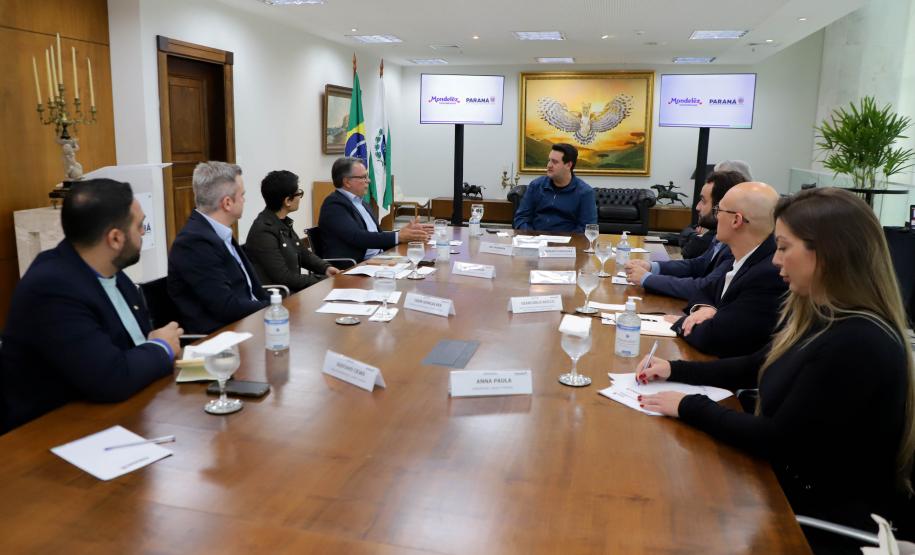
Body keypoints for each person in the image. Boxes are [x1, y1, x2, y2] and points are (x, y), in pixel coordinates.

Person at [637, 188, 915, 550]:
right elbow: (756, 365)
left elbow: (777, 440)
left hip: (809, 518)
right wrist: (673, 370)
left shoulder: (858, 342)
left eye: (784, 247)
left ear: (827, 252)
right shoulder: (821, 316)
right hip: (778, 485)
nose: (775, 260)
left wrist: (689, 406)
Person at [0, 179, 181, 433]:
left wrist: (153, 347)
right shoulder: (51, 288)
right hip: (52, 435)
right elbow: (112, 378)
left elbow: (135, 345)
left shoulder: (110, 271)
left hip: (122, 414)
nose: (143, 232)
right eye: (140, 226)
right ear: (115, 238)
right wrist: (161, 346)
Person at [670, 182, 787, 357]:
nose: (715, 217)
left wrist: (681, 322)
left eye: (719, 211)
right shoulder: (745, 256)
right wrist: (705, 308)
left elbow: (716, 339)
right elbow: (705, 291)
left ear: (736, 220)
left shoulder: (768, 273)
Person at [168, 162, 269, 334]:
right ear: (227, 203)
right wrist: (272, 308)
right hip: (224, 336)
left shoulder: (219, 232)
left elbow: (252, 290)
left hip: (249, 323)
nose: (244, 200)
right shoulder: (193, 243)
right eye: (242, 195)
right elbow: (226, 307)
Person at [624, 170, 745, 300]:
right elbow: (697, 265)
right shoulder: (721, 238)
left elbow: (705, 288)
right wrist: (651, 266)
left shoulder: (737, 246)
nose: (697, 207)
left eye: (703, 201)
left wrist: (647, 278)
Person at [318, 157, 430, 262]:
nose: (369, 181)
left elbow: (376, 235)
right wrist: (399, 236)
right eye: (363, 177)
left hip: (378, 259)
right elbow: (357, 237)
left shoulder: (362, 203)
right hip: (354, 266)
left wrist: (405, 233)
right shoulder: (334, 205)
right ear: (347, 182)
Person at [245, 170, 339, 293]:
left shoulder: (282, 222)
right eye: (298, 193)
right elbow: (284, 277)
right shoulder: (263, 231)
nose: (300, 197)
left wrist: (326, 268)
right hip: (278, 300)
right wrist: (323, 280)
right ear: (287, 201)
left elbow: (304, 254)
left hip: (294, 294)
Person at [512, 143, 597, 233]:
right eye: (549, 160)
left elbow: (587, 228)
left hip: (568, 243)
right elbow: (521, 218)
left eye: (554, 162)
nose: (549, 165)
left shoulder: (585, 192)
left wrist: (565, 242)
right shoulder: (536, 185)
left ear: (568, 165)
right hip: (535, 241)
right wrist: (532, 236)